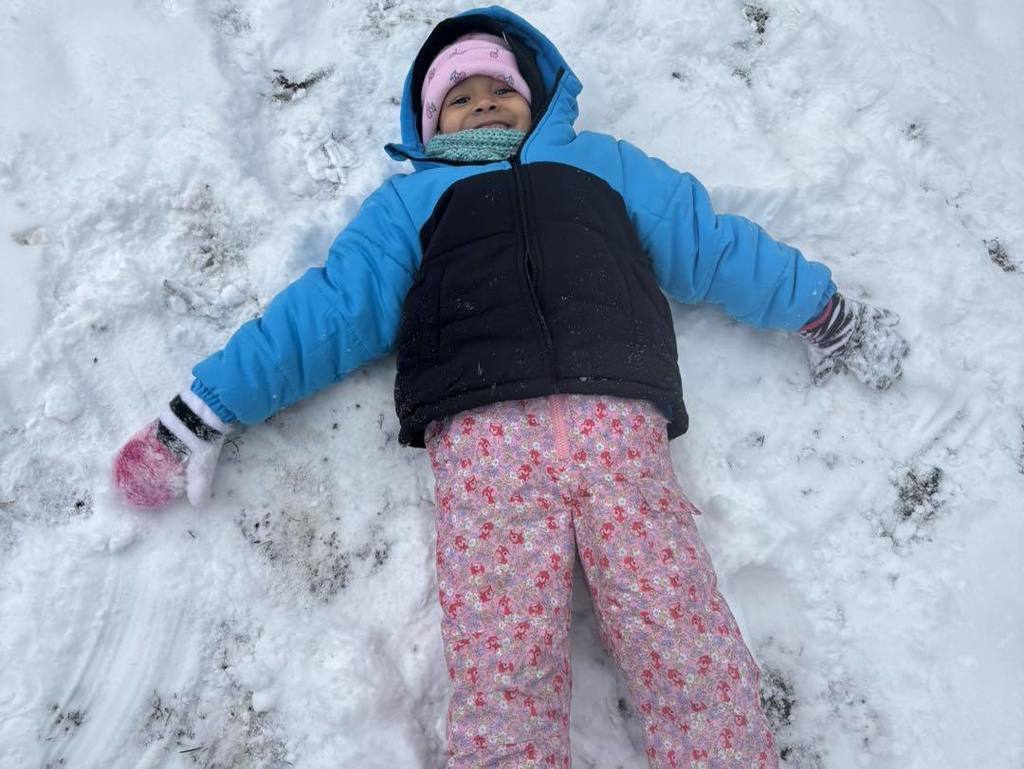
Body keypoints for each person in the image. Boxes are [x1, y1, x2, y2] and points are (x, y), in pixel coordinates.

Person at [113, 6, 908, 767]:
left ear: (536, 103)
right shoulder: (407, 207)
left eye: (501, 92)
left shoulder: (603, 165)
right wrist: (201, 412)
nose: (485, 104)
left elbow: (711, 244)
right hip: (485, 447)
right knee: (503, 675)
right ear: (428, 125)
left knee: (682, 638)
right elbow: (324, 315)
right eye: (461, 98)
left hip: (614, 421)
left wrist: (818, 308)